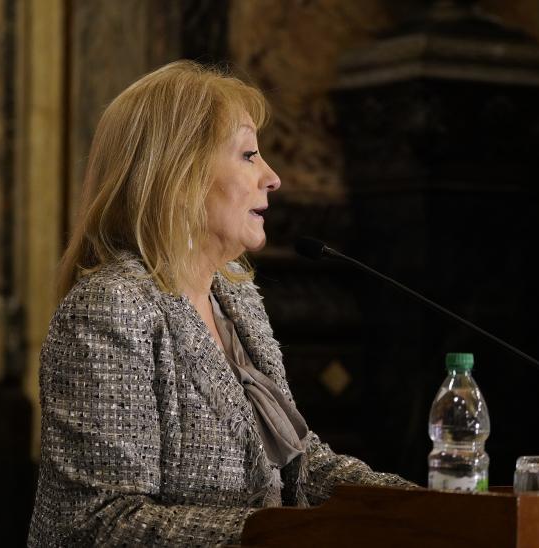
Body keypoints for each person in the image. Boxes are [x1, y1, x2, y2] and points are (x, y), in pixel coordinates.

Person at [28, 60, 413, 547]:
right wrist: (284, 536)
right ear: (178, 172)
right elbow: (99, 525)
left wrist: (422, 505)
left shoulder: (236, 297)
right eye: (249, 155)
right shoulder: (109, 310)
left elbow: (299, 464)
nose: (272, 177)